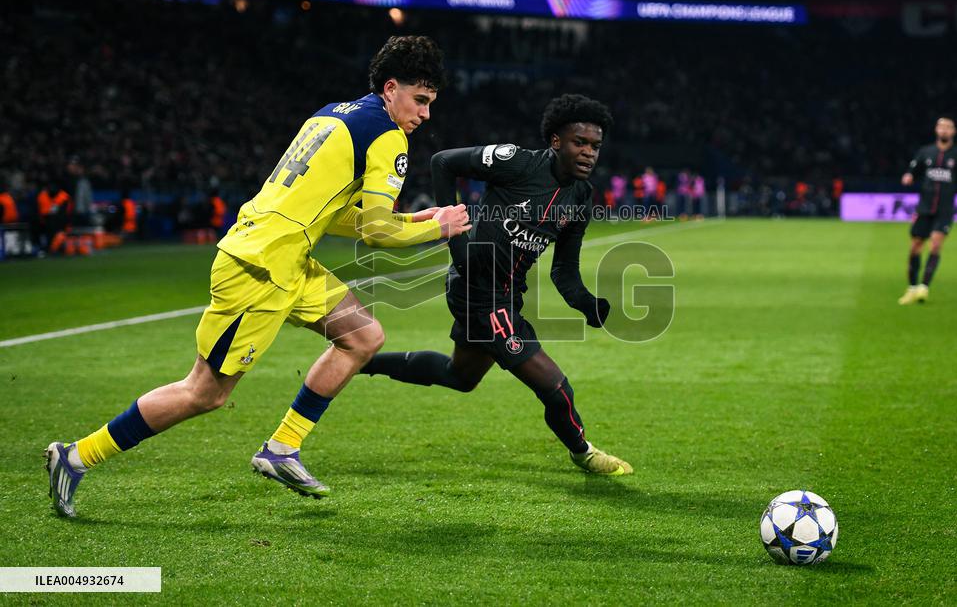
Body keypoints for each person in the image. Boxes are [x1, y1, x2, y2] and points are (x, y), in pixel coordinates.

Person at [45, 36, 471, 517]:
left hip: (286, 256)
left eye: (431, 103)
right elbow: (374, 230)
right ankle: (77, 456)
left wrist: (417, 221)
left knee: (362, 336)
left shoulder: (331, 114)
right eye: (421, 100)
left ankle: (282, 449)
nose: (425, 115)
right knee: (204, 392)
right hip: (260, 268)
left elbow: (330, 215)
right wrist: (437, 228)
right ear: (391, 88)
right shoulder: (387, 136)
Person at [360, 94, 632, 476]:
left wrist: (586, 303)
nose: (589, 153)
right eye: (579, 143)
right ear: (556, 141)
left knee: (462, 377)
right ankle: (583, 451)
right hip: (477, 291)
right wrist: (453, 238)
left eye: (595, 146)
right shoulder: (517, 163)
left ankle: (362, 361)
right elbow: (443, 162)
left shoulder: (581, 198)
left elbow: (564, 271)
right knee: (555, 387)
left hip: (505, 296)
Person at [898, 116, 957, 305]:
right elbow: (913, 169)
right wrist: (909, 176)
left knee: (935, 244)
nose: (944, 130)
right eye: (941, 126)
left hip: (945, 210)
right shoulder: (925, 152)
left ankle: (923, 288)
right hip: (924, 208)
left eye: (948, 127)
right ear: (936, 130)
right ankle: (911, 288)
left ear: (953, 132)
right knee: (915, 247)